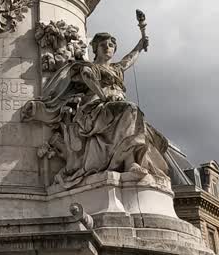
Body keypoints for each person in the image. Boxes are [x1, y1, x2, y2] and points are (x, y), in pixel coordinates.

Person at [22, 32, 170, 189]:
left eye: (111, 45)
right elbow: (88, 78)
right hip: (95, 108)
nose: (107, 48)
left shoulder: (116, 68)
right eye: (103, 45)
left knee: (158, 139)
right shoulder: (90, 67)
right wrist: (103, 96)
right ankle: (129, 162)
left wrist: (140, 46)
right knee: (131, 110)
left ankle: (131, 161)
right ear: (95, 49)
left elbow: (129, 60)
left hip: (116, 107)